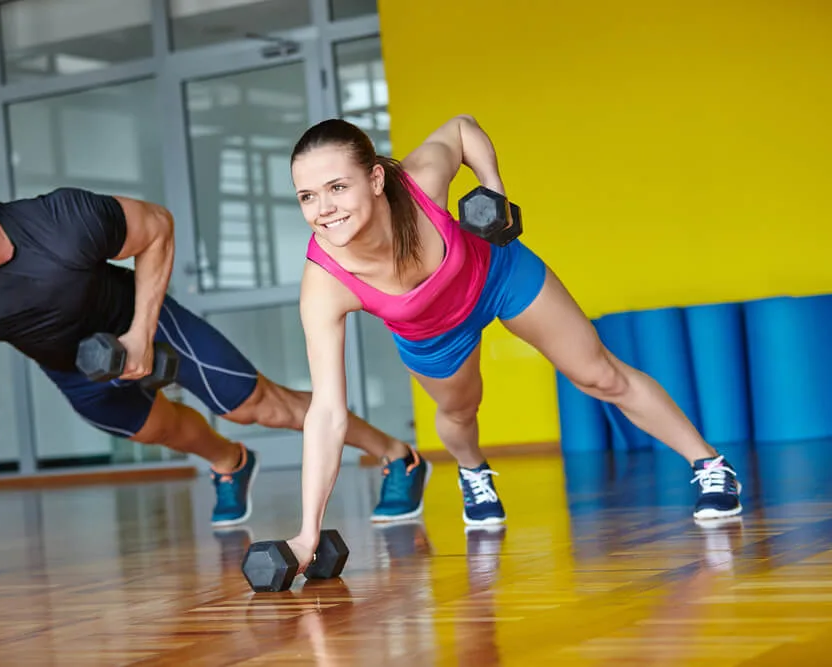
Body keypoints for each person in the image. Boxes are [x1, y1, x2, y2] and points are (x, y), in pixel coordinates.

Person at [0, 145, 420, 581]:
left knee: (255, 406)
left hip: (139, 319)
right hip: (72, 365)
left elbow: (157, 227)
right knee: (160, 429)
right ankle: (231, 463)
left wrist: (141, 335)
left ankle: (396, 454)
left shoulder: (61, 221)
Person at [283, 115, 743, 569]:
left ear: (376, 179)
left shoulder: (421, 182)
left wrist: (493, 188)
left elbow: (462, 128)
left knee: (599, 374)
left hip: (495, 272)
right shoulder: (326, 283)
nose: (324, 208)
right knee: (461, 412)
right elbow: (326, 411)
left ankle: (710, 467)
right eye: (307, 196)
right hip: (433, 328)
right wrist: (308, 533)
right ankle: (474, 472)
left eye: (337, 187)